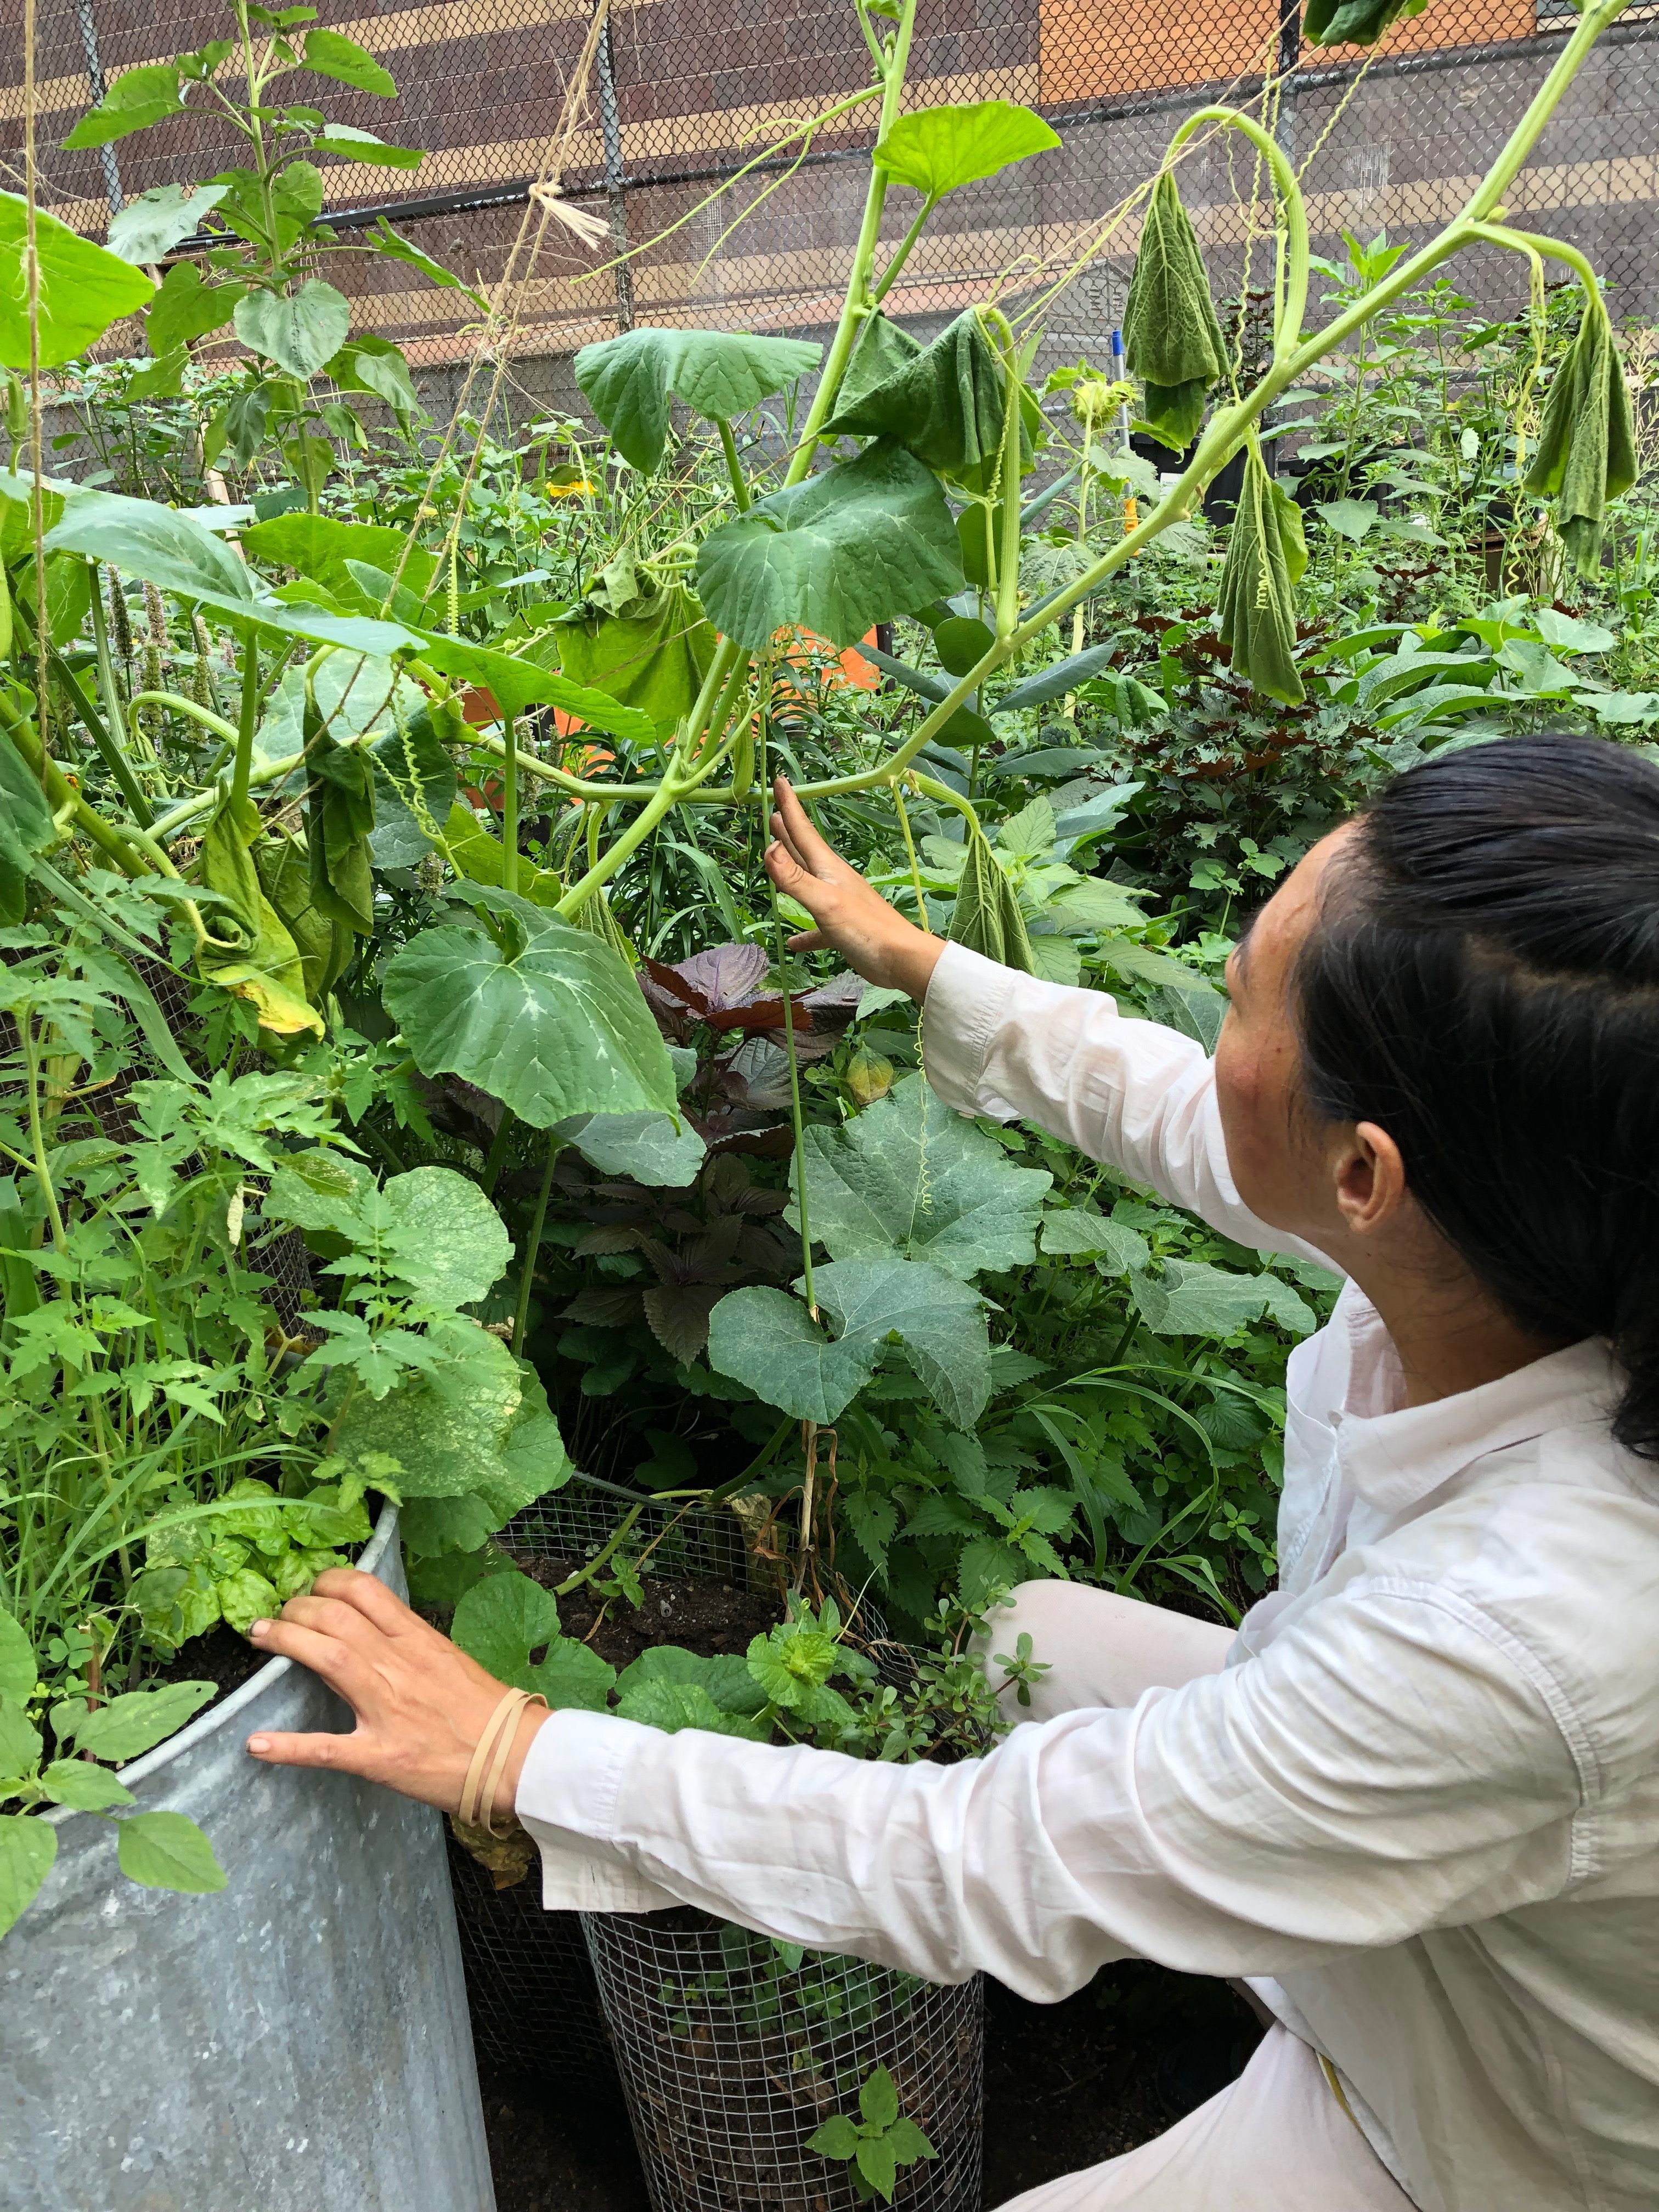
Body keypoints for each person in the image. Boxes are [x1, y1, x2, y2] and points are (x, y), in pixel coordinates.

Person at [245, 735, 1659, 2211]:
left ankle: (1279, 1967)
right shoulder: (1549, 1235)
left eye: (1242, 996)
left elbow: (986, 1858)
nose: (1218, 1019)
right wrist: (927, 967)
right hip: (1446, 1884)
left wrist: (518, 1754)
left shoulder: (1518, 1635)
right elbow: (1199, 1123)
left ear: (1367, 1175)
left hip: (1491, 2124)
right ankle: (1268, 1908)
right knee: (1024, 1638)